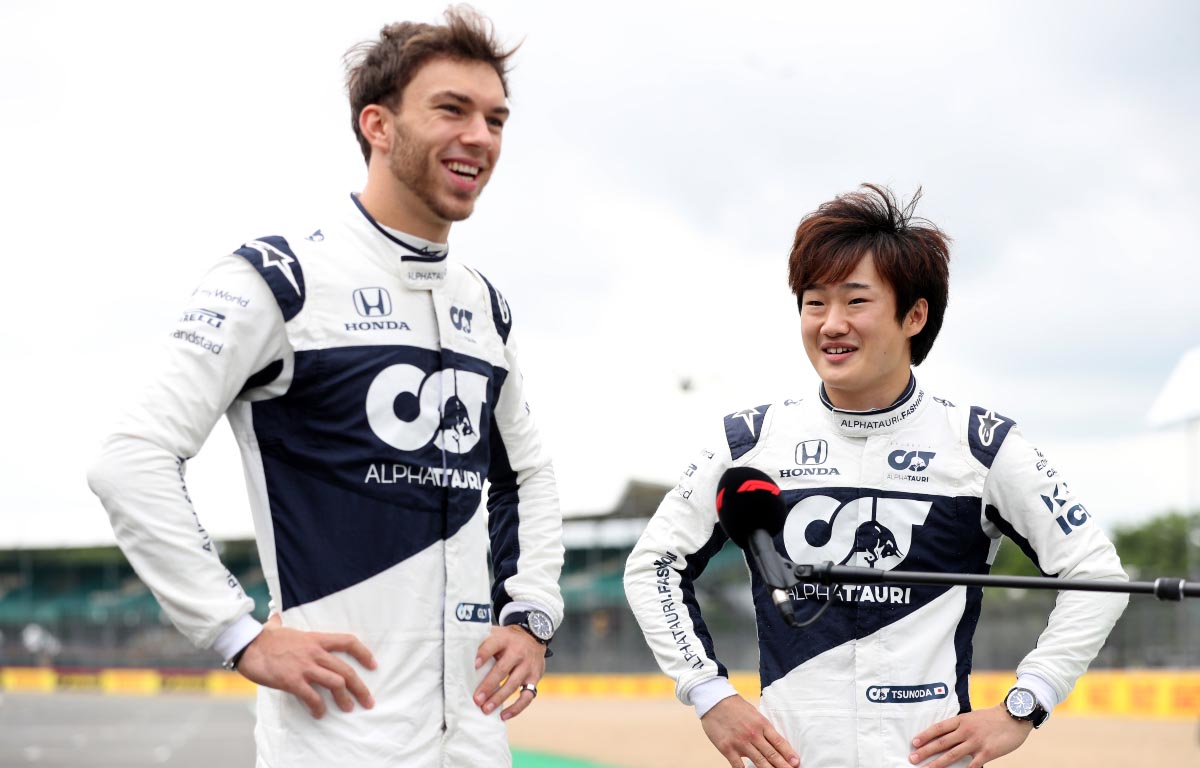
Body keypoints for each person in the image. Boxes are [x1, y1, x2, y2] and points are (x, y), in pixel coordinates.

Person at [87, 8, 563, 767]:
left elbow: (527, 474)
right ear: (377, 125)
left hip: (475, 740)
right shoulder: (278, 280)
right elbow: (131, 458)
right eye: (452, 109)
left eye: (496, 118)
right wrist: (234, 633)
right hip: (338, 738)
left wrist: (532, 611)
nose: (481, 136)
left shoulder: (485, 303)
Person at [623, 184, 1128, 768]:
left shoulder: (982, 446)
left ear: (915, 315)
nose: (831, 324)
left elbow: (1096, 574)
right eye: (815, 303)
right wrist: (708, 693)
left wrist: (1025, 703)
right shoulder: (747, 441)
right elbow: (653, 564)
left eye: (856, 302)